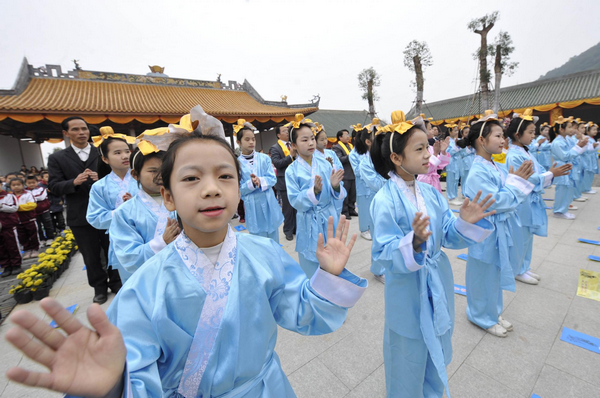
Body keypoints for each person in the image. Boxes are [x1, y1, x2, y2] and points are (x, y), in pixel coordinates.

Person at [4, 129, 367, 398]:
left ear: (239, 188)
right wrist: (113, 384)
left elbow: (302, 313)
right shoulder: (145, 286)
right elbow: (132, 369)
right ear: (168, 196)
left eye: (225, 176)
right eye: (192, 178)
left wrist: (326, 280)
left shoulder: (265, 254)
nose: (211, 188)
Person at [370, 111, 495, 397]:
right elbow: (382, 251)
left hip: (437, 277)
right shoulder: (384, 200)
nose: (428, 154)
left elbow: (448, 232)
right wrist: (412, 244)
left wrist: (464, 222)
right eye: (419, 148)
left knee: (436, 344)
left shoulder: (430, 192)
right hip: (407, 288)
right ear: (396, 158)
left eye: (427, 146)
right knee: (407, 353)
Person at [462, 113, 535, 338]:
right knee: (483, 274)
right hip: (484, 231)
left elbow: (508, 194)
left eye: (503, 136)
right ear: (481, 141)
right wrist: (516, 184)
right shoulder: (477, 171)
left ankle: (492, 312)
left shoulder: (494, 165)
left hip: (497, 229)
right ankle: (479, 315)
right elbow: (497, 200)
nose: (503, 140)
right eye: (497, 136)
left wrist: (514, 183)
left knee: (494, 273)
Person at [48, 117, 119, 304]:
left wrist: (102, 177)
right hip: (79, 214)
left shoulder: (102, 151)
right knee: (90, 254)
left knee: (113, 248)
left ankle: (117, 283)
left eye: (84, 129)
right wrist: (74, 182)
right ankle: (99, 288)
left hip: (107, 211)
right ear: (66, 133)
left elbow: (120, 175)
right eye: (76, 129)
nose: (81, 132)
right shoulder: (57, 158)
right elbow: (54, 186)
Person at [505, 110, 571, 285]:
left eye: (534, 132)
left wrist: (550, 173)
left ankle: (523, 267)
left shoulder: (526, 152)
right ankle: (516, 269)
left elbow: (539, 171)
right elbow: (528, 179)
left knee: (527, 236)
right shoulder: (514, 155)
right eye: (531, 132)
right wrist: (550, 174)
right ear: (517, 134)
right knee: (520, 237)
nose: (534, 136)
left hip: (530, 201)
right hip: (521, 202)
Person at [285, 115, 346, 278]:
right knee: (312, 267)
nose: (311, 143)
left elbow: (336, 195)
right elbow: (294, 200)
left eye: (312, 138)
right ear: (294, 145)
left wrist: (335, 186)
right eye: (304, 140)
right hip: (308, 220)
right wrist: (314, 193)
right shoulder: (291, 171)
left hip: (328, 218)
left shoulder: (325, 164)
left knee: (332, 262)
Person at [110, 140, 178, 283]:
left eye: (165, 170)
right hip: (148, 278)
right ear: (135, 175)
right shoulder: (124, 212)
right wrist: (162, 242)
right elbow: (128, 256)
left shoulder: (182, 201)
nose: (160, 176)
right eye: (153, 171)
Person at [86, 126, 137, 303]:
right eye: (117, 153)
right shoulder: (99, 187)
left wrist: (137, 203)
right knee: (132, 283)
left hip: (153, 235)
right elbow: (94, 218)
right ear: (105, 159)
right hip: (122, 240)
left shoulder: (143, 179)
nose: (125, 156)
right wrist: (121, 210)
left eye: (126, 151)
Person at [235, 119, 283, 243]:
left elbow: (272, 178)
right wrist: (251, 184)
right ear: (238, 142)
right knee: (258, 240)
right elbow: (238, 189)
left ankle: (275, 261)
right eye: (247, 139)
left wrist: (260, 181)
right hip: (252, 205)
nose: (251, 142)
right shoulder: (236, 164)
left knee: (273, 237)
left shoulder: (264, 159)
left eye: (253, 139)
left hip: (268, 201)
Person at [550, 116, 587, 219]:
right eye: (570, 127)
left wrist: (580, 145)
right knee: (562, 190)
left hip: (567, 166)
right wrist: (578, 147)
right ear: (561, 129)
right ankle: (558, 211)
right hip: (562, 167)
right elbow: (565, 156)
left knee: (568, 189)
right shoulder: (557, 142)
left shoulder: (565, 139)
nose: (572, 130)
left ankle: (563, 209)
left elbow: (573, 150)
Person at [269, 123, 297, 241]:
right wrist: (290, 157)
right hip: (284, 181)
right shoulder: (275, 148)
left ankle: (296, 228)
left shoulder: (293, 145)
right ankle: (288, 230)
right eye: (284, 131)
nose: (287, 132)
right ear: (278, 135)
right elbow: (277, 163)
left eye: (287, 130)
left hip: (296, 180)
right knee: (288, 208)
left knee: (297, 205)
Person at [349, 124, 375, 240]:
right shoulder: (353, 154)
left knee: (373, 207)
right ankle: (364, 229)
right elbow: (357, 171)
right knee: (364, 208)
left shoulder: (371, 151)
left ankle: (373, 227)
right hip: (363, 185)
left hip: (373, 184)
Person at [10, 178, 39, 259]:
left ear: (23, 185)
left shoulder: (28, 194)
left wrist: (17, 208)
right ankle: (27, 249)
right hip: (16, 220)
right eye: (14, 185)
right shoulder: (10, 196)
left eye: (18, 185)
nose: (16, 187)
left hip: (29, 218)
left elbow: (32, 205)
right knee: (22, 236)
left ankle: (35, 249)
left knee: (33, 234)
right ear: (10, 186)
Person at [417, 120, 450, 193]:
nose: (432, 131)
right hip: (425, 180)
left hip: (434, 180)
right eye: (430, 128)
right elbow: (426, 168)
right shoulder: (418, 150)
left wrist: (443, 152)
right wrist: (435, 153)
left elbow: (440, 165)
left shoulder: (431, 148)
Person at [333, 128, 357, 219]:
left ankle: (352, 209)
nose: (348, 136)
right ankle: (345, 212)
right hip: (345, 174)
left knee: (352, 194)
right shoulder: (337, 147)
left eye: (348, 134)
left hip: (353, 173)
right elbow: (340, 159)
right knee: (345, 195)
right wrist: (351, 156)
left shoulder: (350, 146)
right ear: (340, 137)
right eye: (345, 135)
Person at [25, 175, 54, 246]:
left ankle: (50, 238)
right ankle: (41, 239)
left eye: (33, 182)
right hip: (33, 212)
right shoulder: (25, 191)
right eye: (29, 183)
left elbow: (41, 197)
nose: (31, 184)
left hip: (44, 210)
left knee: (47, 224)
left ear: (37, 182)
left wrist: (30, 199)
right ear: (25, 183)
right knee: (37, 226)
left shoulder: (42, 189)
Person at [0, 188, 22, 277]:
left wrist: (1, 206)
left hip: (8, 225)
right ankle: (6, 266)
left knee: (12, 245)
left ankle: (16, 264)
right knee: (1, 248)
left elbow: (14, 207)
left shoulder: (9, 196)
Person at [445, 123, 463, 205]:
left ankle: (454, 196)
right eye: (455, 130)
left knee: (456, 180)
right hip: (451, 162)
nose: (457, 132)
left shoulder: (457, 140)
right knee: (451, 180)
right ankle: (451, 197)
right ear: (450, 131)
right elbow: (448, 153)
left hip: (458, 162)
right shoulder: (447, 141)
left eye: (457, 130)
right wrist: (456, 147)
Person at [582, 122, 599, 194]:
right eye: (593, 130)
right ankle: (586, 188)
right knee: (587, 173)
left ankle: (589, 187)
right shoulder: (586, 139)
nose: (595, 131)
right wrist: (594, 146)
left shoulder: (592, 139)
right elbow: (586, 149)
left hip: (592, 158)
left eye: (596, 130)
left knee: (591, 173)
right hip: (587, 158)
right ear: (587, 131)